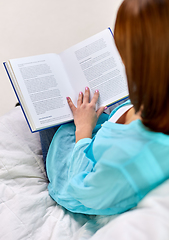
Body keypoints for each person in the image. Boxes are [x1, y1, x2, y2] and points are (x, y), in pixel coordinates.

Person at [40, 0, 169, 215]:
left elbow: (83, 189)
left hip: (78, 175)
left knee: (48, 112)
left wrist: (83, 130)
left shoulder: (128, 152)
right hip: (110, 132)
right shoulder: (157, 94)